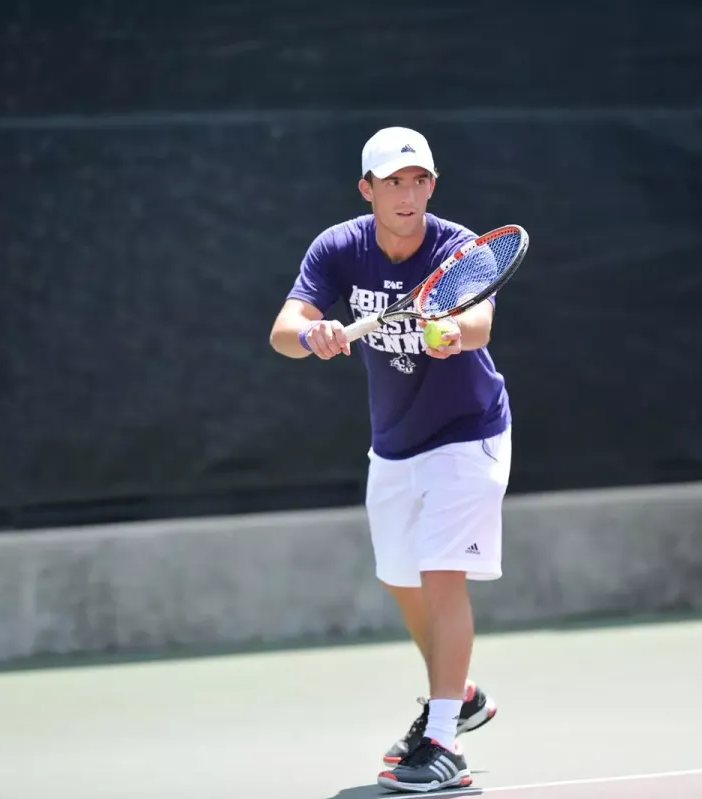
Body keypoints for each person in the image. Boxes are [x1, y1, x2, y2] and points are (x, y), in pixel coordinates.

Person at [268, 126, 511, 794]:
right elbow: (283, 331)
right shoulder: (338, 248)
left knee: (440, 572)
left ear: (432, 185)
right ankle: (456, 695)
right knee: (402, 579)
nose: (408, 194)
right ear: (367, 189)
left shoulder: (457, 246)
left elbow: (480, 321)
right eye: (394, 182)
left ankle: (441, 744)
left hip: (468, 433)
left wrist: (453, 331)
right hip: (395, 442)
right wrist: (312, 333)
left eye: (419, 180)